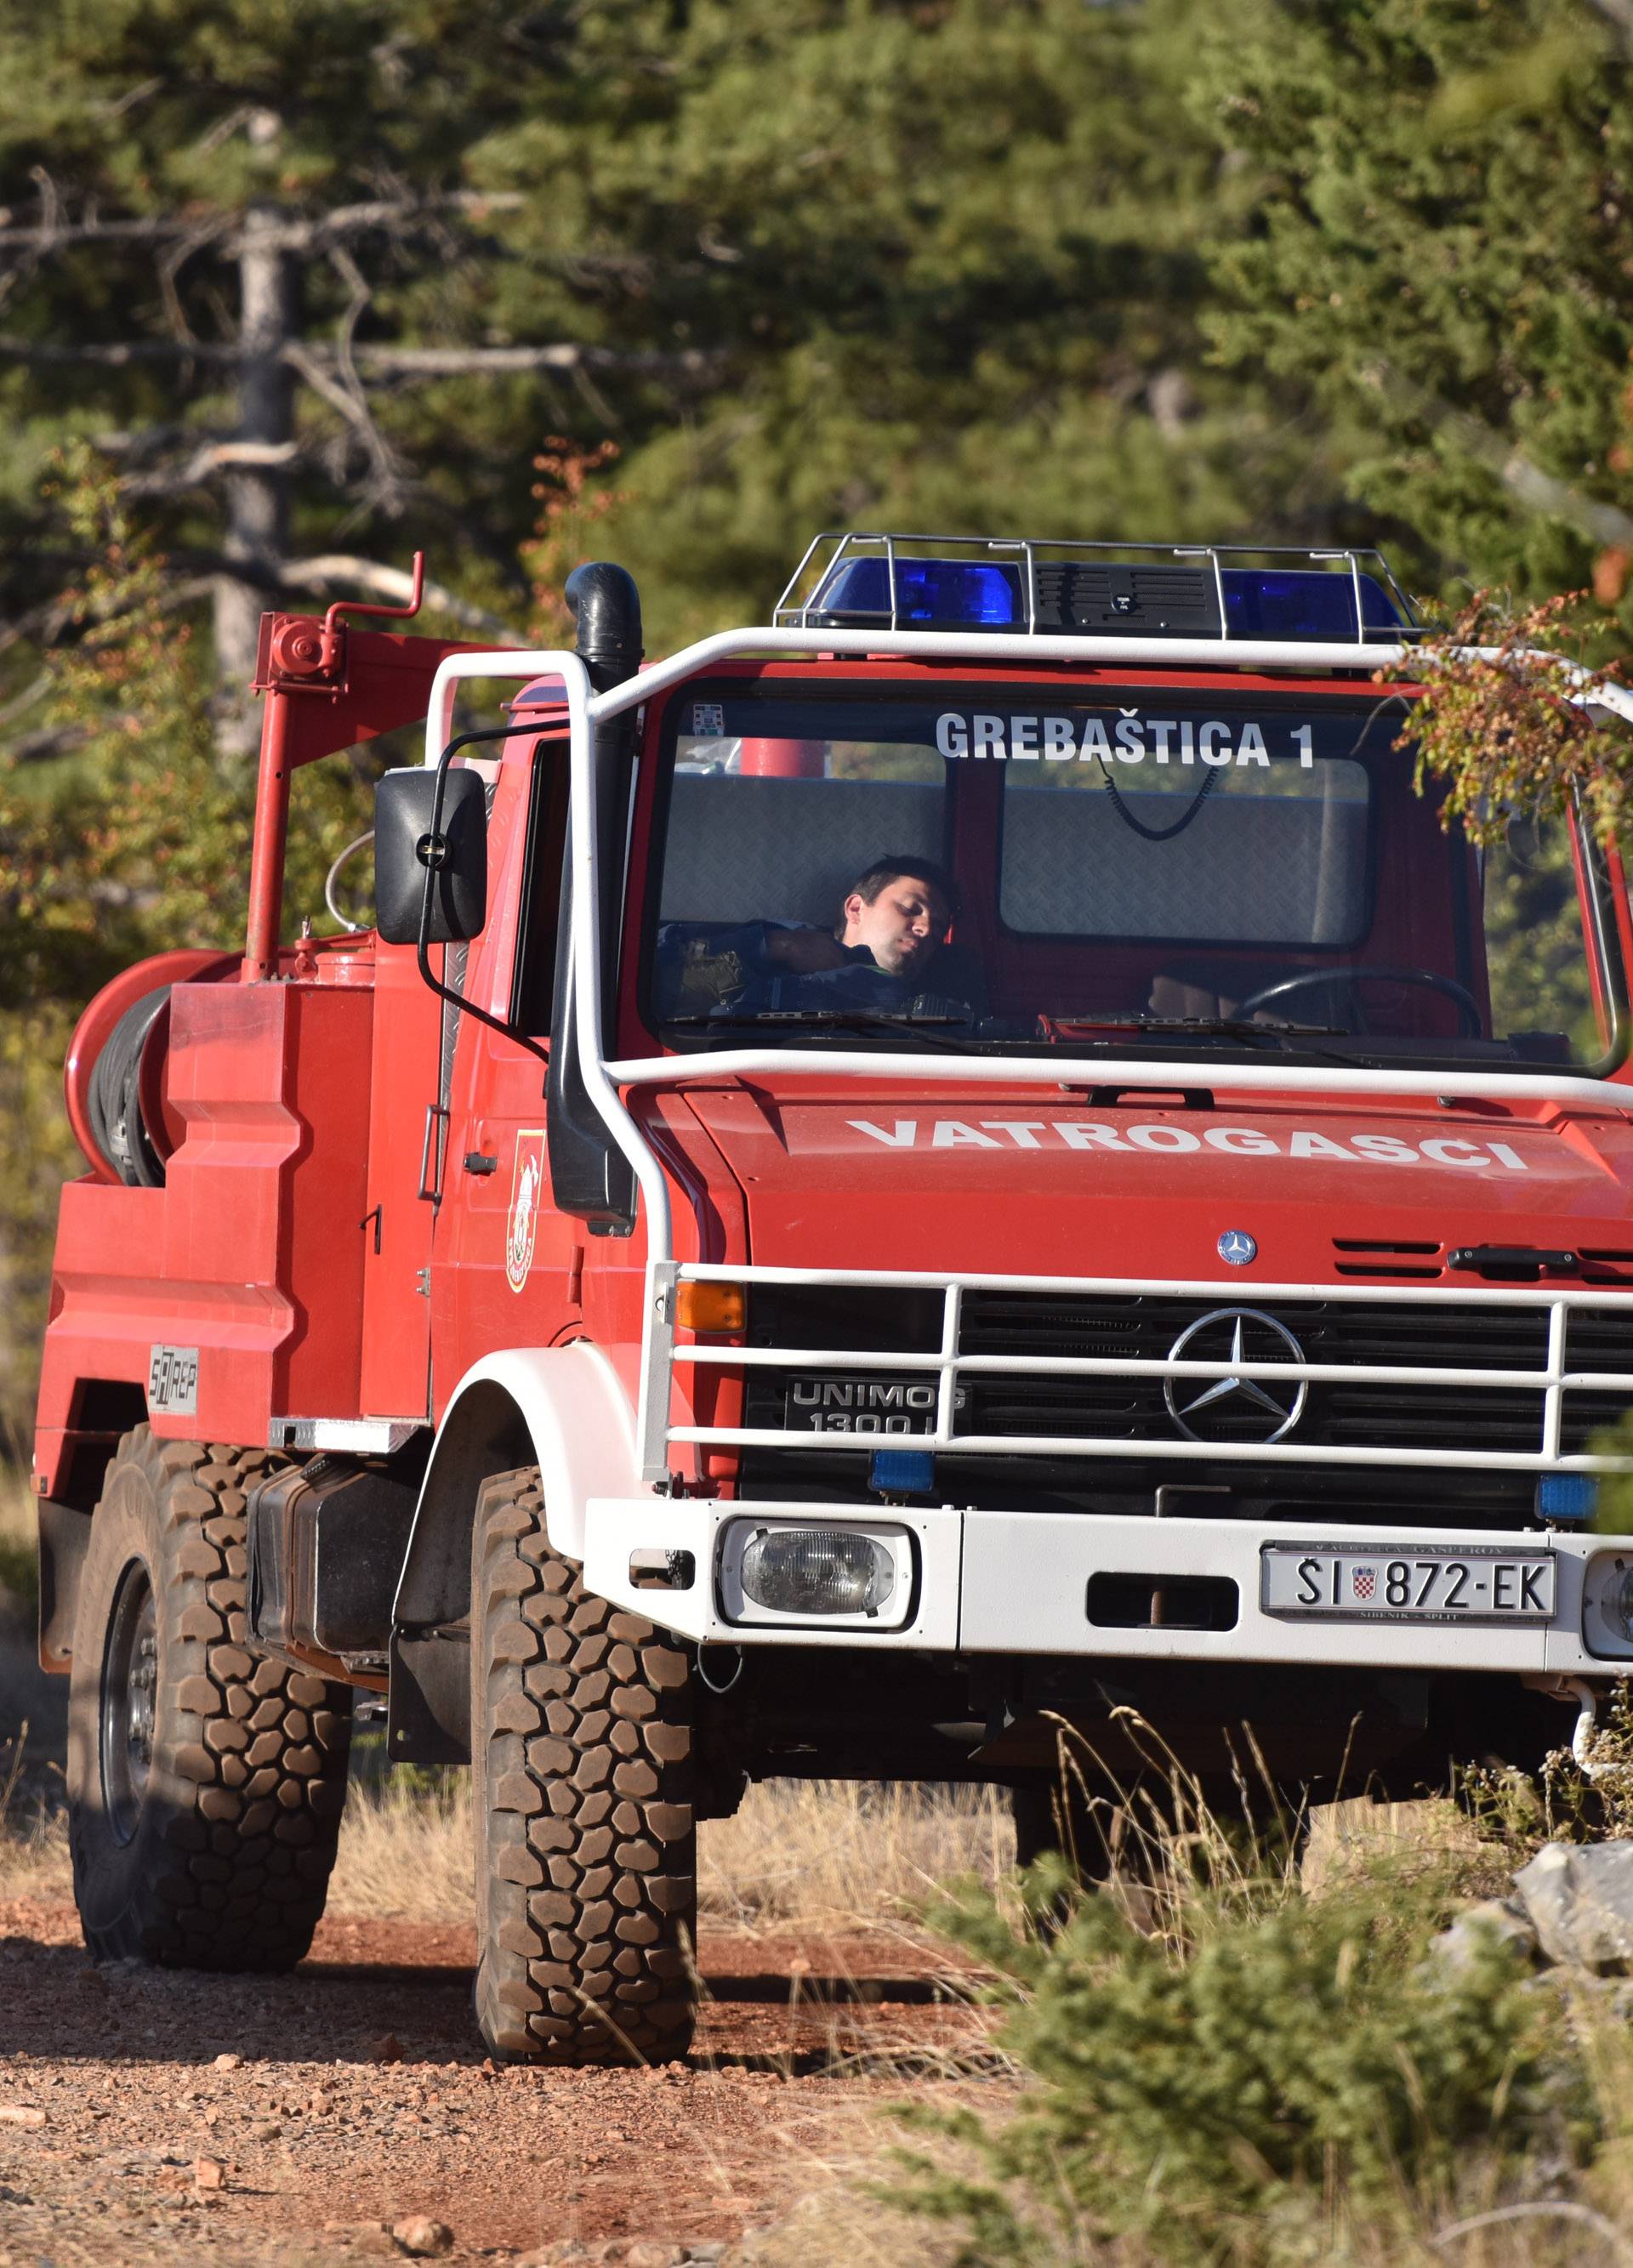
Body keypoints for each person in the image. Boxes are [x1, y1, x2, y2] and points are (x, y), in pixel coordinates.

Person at [657, 853, 971, 1016]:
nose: (926, 928)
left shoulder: (947, 1010)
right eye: (910, 908)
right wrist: (777, 946)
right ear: (856, 909)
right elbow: (652, 975)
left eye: (938, 928)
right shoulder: (772, 944)